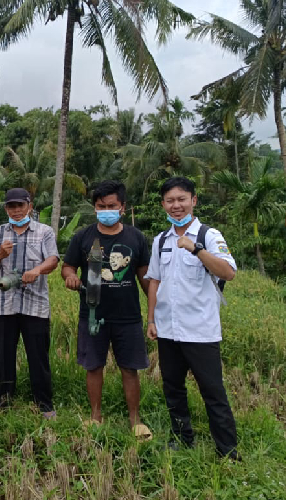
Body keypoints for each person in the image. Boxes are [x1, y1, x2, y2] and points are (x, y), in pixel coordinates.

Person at [145, 176, 240, 460]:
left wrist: (197, 250)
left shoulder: (209, 235)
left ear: (193, 201)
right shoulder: (160, 240)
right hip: (168, 330)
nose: (176, 205)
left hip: (200, 331)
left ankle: (228, 450)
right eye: (170, 201)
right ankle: (182, 438)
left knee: (212, 391)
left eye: (181, 199)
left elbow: (228, 272)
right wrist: (151, 319)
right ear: (163, 204)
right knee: (173, 388)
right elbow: (154, 281)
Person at [62, 180, 152, 440]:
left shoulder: (136, 237)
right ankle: (95, 416)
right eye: (101, 206)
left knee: (129, 368)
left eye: (112, 206)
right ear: (95, 208)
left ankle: (135, 419)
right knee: (94, 366)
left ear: (122, 207)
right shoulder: (83, 236)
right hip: (92, 314)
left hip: (128, 316)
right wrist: (70, 277)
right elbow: (68, 267)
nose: (106, 210)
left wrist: (155, 311)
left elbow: (144, 277)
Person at [0, 188, 60, 419]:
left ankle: (44, 403)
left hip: (36, 305)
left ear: (29, 206)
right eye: (11, 206)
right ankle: (4, 400)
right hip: (5, 306)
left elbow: (53, 260)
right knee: (4, 356)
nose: (16, 211)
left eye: (20, 206)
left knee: (38, 356)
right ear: (6, 209)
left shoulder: (44, 232)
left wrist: (36, 270)